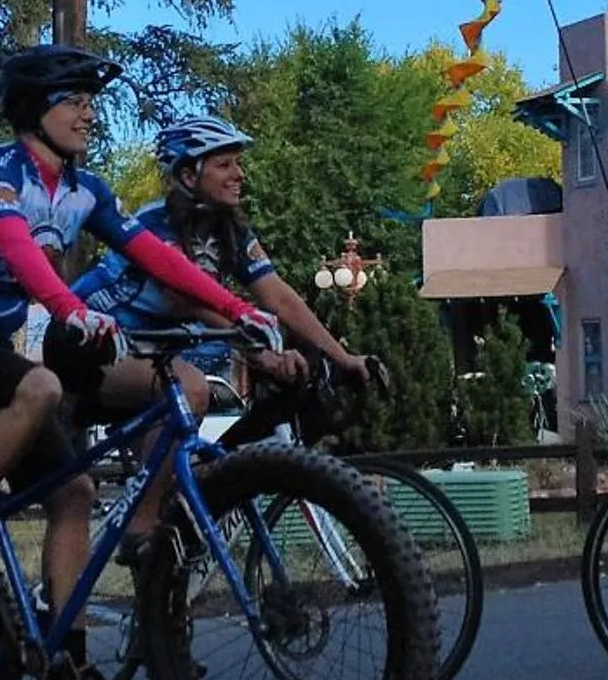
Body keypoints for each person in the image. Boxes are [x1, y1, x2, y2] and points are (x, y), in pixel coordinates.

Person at [0, 46, 283, 680]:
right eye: (75, 100)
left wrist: (238, 309)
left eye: (92, 101)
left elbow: (154, 255)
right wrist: (72, 309)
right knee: (38, 385)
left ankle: (66, 666)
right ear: (36, 109)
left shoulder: (84, 189)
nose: (89, 112)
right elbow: (19, 250)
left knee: (74, 493)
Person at [71, 114, 378, 545]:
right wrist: (260, 352)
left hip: (151, 352)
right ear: (187, 173)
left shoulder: (229, 230)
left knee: (175, 485)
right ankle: (140, 533)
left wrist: (341, 357)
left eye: (238, 163)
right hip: (92, 345)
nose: (239, 174)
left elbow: (279, 295)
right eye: (225, 164)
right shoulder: (156, 222)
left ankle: (159, 597)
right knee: (188, 390)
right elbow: (186, 297)